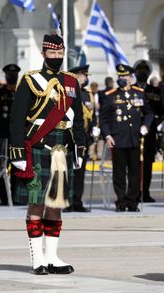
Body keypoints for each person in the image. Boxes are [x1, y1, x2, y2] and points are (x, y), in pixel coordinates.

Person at [9, 33, 86, 274]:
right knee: (36, 203)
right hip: (38, 149)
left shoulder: (72, 82)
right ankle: (37, 258)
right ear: (43, 54)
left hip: (62, 150)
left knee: (56, 204)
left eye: (60, 53)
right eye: (52, 53)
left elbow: (79, 119)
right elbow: (17, 119)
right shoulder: (30, 81)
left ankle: (52, 256)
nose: (56, 57)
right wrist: (18, 152)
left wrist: (80, 148)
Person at [100, 64, 153, 212]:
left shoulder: (139, 93)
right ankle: (121, 202)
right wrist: (107, 135)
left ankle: (132, 202)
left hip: (135, 139)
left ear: (131, 78)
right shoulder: (110, 95)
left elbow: (148, 113)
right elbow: (103, 119)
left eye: (125, 76)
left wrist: (145, 126)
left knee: (135, 173)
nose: (122, 79)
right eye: (120, 76)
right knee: (119, 173)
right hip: (118, 139)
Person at [133, 59, 164, 203]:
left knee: (147, 164)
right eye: (140, 70)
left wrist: (163, 122)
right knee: (134, 164)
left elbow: (161, 111)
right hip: (134, 132)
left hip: (151, 132)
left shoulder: (155, 91)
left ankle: (145, 193)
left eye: (145, 70)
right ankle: (134, 193)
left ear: (148, 73)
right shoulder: (131, 89)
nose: (142, 73)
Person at [63, 64, 96, 212]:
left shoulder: (88, 94)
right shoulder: (67, 92)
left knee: (79, 170)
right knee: (67, 170)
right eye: (84, 75)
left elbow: (92, 115)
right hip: (69, 137)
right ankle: (66, 202)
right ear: (75, 76)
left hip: (83, 137)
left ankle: (77, 201)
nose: (86, 78)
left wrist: (95, 127)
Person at [0, 63, 21, 205]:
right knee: (2, 166)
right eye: (10, 76)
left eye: (14, 76)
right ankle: (3, 196)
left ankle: (15, 195)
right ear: (6, 77)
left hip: (18, 137)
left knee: (17, 166)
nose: (12, 78)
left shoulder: (23, 93)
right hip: (2, 137)